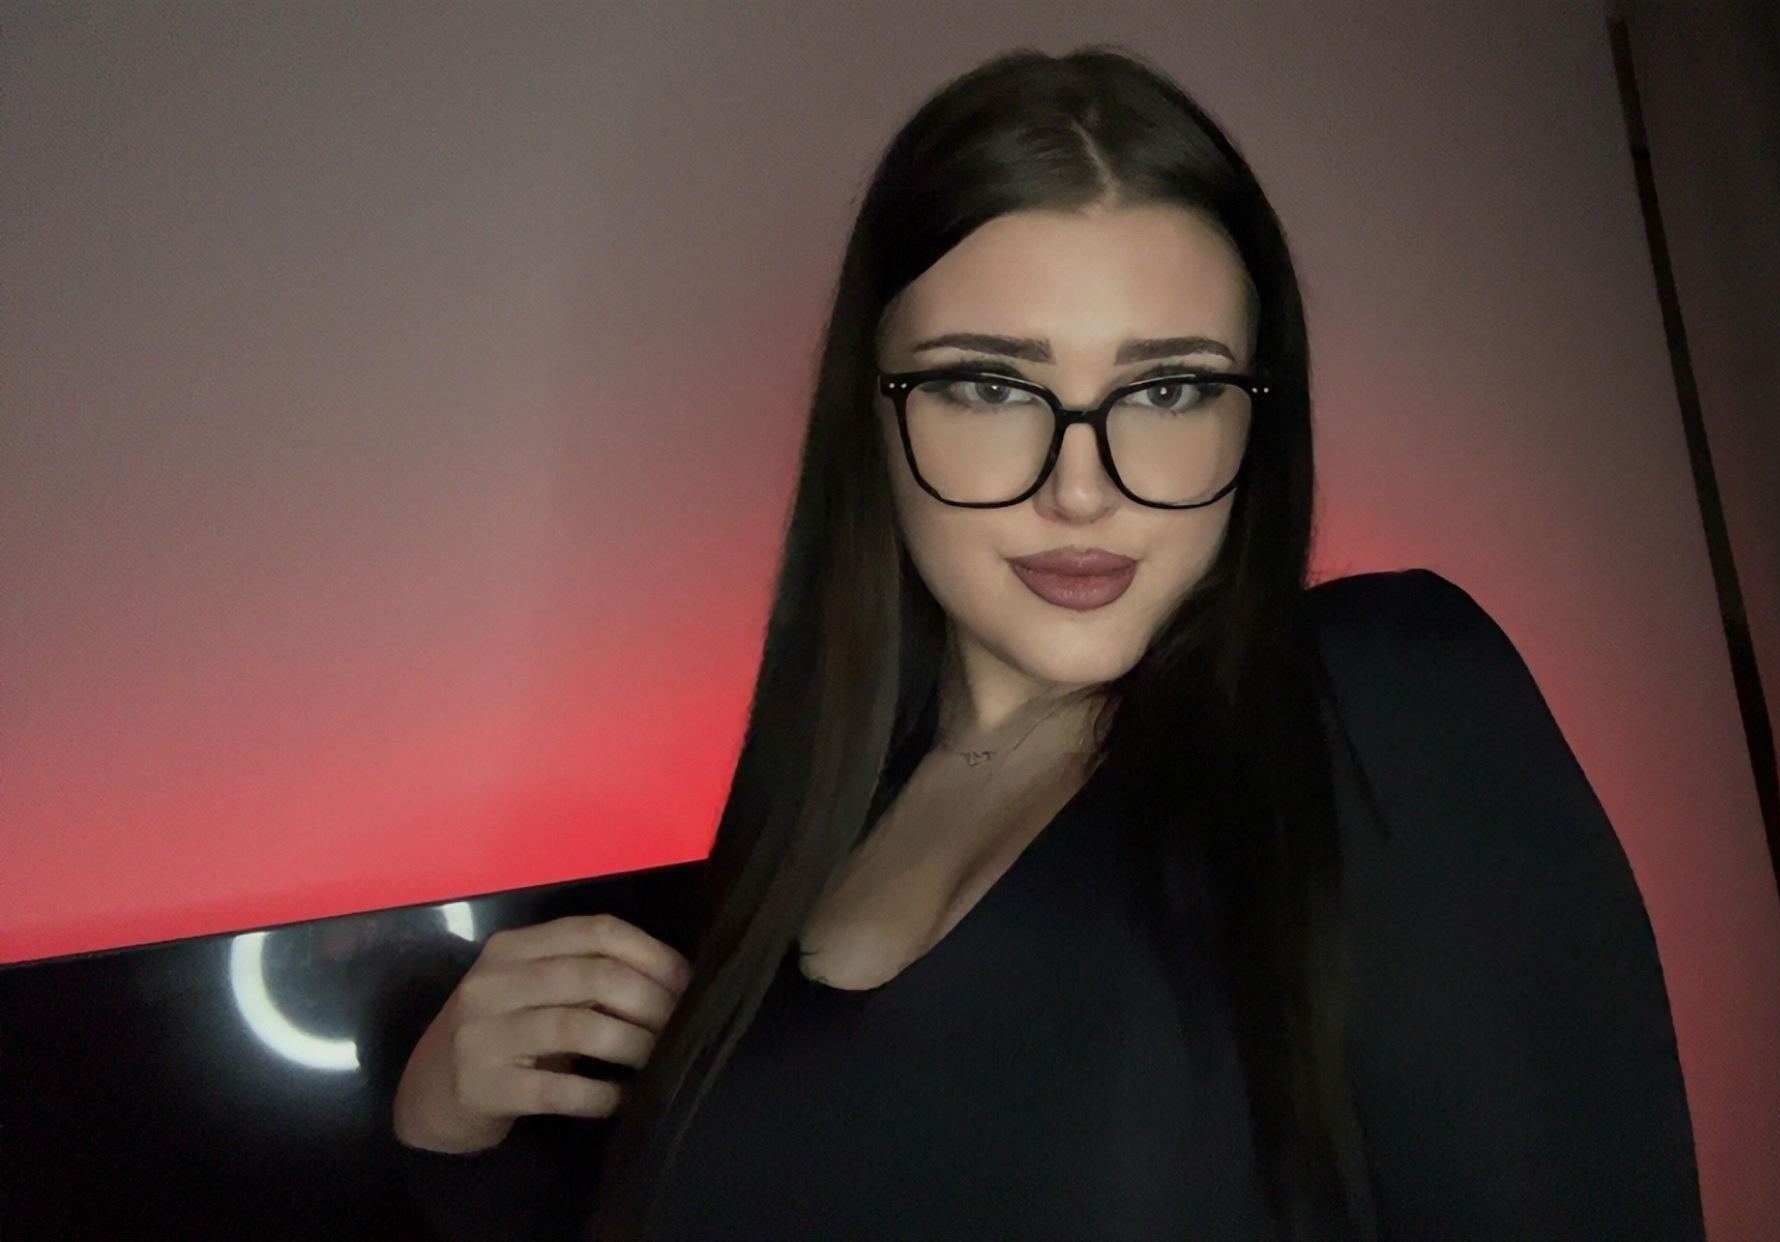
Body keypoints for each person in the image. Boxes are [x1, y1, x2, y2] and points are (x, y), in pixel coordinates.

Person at [389, 44, 1703, 1242]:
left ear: (1257, 412)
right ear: (873, 414)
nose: (1083, 487)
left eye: (1169, 387)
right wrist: (445, 1132)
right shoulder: (795, 837)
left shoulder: (1376, 704)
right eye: (991, 384)